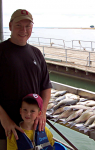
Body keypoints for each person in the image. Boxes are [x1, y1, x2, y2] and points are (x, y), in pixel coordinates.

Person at [0, 9, 52, 149]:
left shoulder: (36, 53)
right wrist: (5, 120)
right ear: (10, 26)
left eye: (28, 26)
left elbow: (46, 86)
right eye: (18, 25)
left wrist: (42, 113)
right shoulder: (1, 51)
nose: (24, 30)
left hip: (32, 130)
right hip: (6, 130)